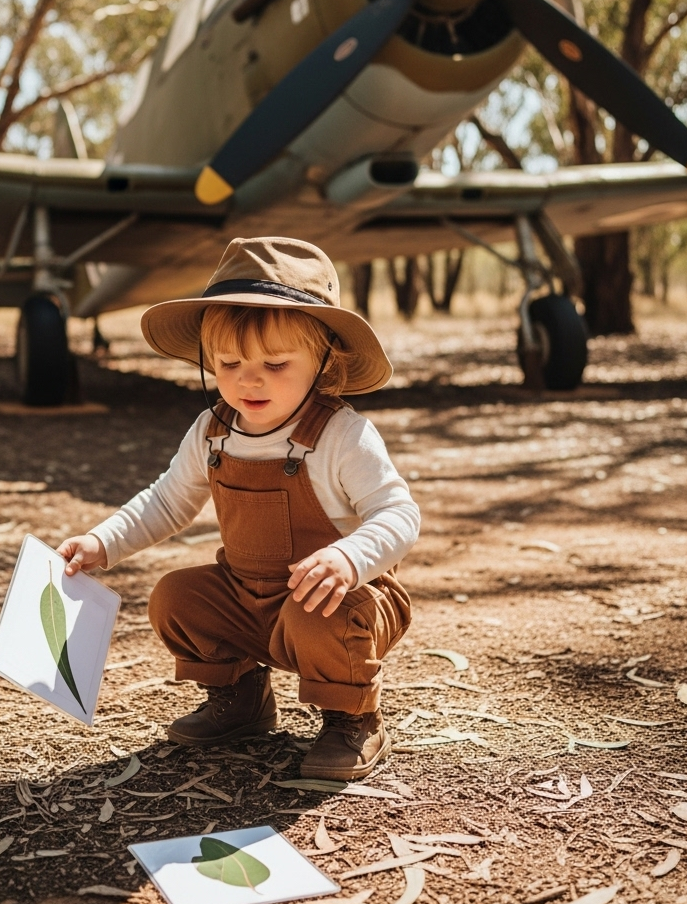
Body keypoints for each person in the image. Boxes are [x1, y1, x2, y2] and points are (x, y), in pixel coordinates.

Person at [58, 237, 419, 781]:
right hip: (248, 600)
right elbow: (167, 500)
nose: (249, 379)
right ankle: (241, 698)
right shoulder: (213, 432)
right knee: (175, 596)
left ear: (324, 361)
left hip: (343, 603)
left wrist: (350, 558)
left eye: (275, 364)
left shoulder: (341, 434)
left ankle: (353, 719)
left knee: (320, 613)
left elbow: (399, 512)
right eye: (229, 363)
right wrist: (102, 542)